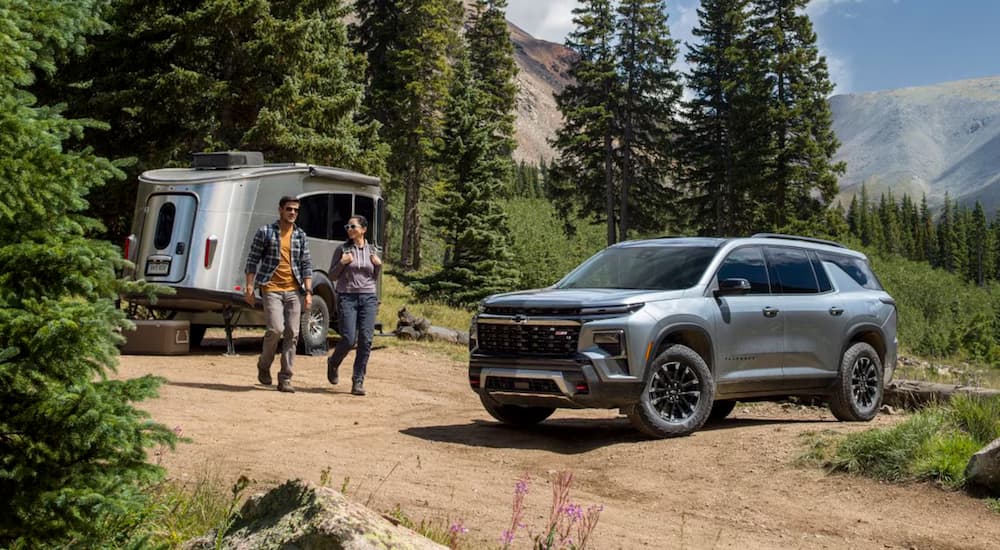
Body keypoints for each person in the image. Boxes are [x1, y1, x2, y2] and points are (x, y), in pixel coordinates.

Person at [244, 196, 313, 393]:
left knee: (293, 332)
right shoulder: (265, 232)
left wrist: (308, 292)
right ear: (280, 210)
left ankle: (285, 378)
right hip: (271, 288)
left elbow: (306, 265)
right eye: (289, 209)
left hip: (293, 290)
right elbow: (252, 260)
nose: (292, 213)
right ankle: (264, 365)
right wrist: (249, 287)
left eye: (296, 210)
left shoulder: (300, 236)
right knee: (275, 329)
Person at [327, 215, 381, 396]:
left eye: (353, 226)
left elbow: (373, 277)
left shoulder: (372, 250)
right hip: (347, 297)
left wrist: (378, 266)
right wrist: (342, 263)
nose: (349, 229)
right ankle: (333, 362)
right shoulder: (342, 249)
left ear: (363, 229)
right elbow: (332, 276)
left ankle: (358, 381)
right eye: (347, 226)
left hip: (368, 298)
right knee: (349, 339)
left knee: (366, 340)